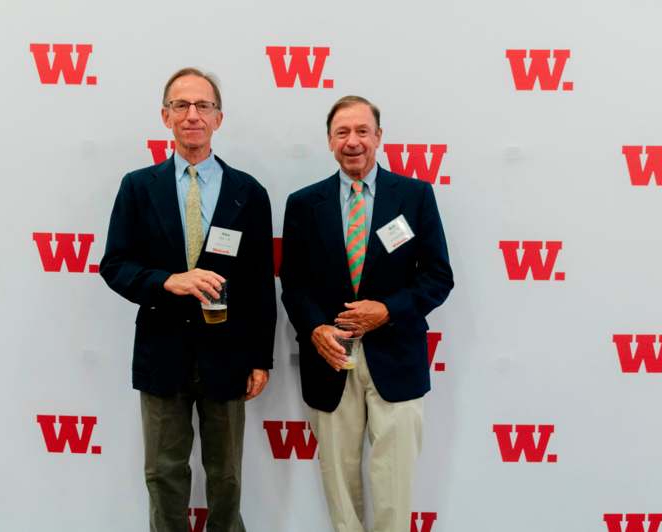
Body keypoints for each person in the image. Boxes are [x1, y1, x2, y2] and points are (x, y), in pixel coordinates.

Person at [100, 67, 276, 532]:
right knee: (163, 474)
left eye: (203, 106)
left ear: (219, 118)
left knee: (228, 477)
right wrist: (166, 281)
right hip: (162, 351)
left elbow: (260, 283)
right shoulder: (138, 187)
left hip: (229, 352)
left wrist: (261, 357)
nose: (192, 115)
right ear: (165, 116)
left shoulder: (249, 192)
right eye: (181, 105)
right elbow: (114, 265)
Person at [279, 95, 453, 532]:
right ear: (329, 141)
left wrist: (387, 310)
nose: (352, 141)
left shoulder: (414, 196)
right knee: (338, 480)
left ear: (379, 137)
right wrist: (316, 327)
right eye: (342, 133)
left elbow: (437, 277)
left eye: (362, 131)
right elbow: (293, 283)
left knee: (395, 481)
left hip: (397, 358)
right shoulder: (304, 204)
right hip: (330, 361)